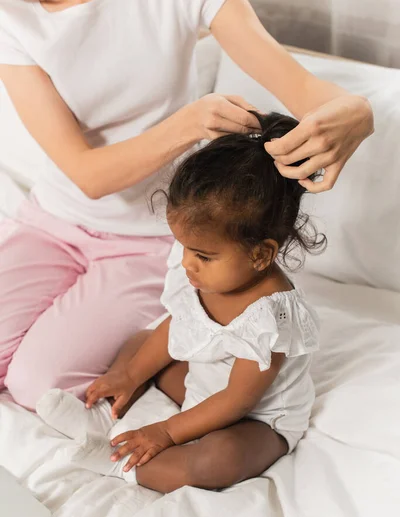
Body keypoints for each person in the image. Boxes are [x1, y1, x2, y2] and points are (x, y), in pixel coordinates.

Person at [0, 0, 373, 410]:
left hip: (146, 241)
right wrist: (191, 123)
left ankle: (152, 356)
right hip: (52, 221)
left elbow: (302, 88)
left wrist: (356, 110)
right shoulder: (12, 17)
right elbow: (89, 176)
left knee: (38, 386)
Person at [37, 111, 326, 493]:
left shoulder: (271, 316)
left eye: (203, 256)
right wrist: (133, 374)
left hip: (255, 417)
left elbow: (237, 401)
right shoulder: (209, 272)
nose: (187, 263)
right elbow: (181, 324)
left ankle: (120, 465)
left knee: (217, 459)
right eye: (184, 247)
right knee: (141, 343)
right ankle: (111, 418)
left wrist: (167, 432)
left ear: (260, 255)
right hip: (202, 386)